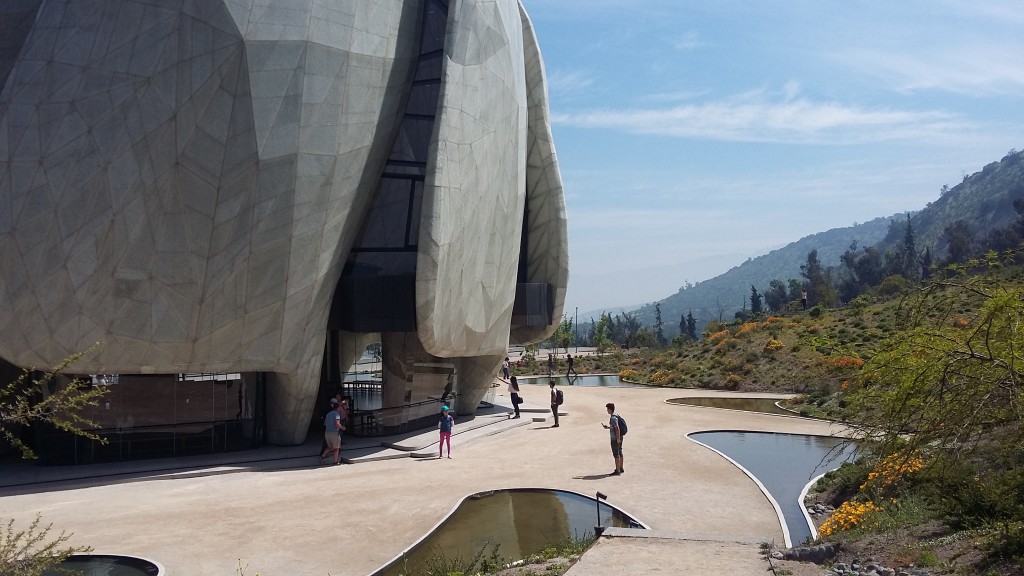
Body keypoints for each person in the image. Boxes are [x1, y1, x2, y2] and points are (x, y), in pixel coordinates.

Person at [320, 399, 345, 465]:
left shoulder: (328, 414)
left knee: (330, 447)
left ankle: (322, 457)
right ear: (338, 408)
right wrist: (342, 427)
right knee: (336, 448)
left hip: (327, 433)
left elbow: (325, 423)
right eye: (340, 408)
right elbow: (337, 423)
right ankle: (335, 461)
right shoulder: (337, 414)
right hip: (334, 433)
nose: (340, 409)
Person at [602, 402, 624, 475]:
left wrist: (617, 439)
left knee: (616, 454)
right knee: (620, 451)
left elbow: (617, 428)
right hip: (620, 436)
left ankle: (617, 470)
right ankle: (621, 468)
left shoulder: (613, 418)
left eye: (607, 409)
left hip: (615, 438)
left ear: (610, 409)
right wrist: (608, 427)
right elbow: (614, 427)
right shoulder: (616, 415)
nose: (607, 410)